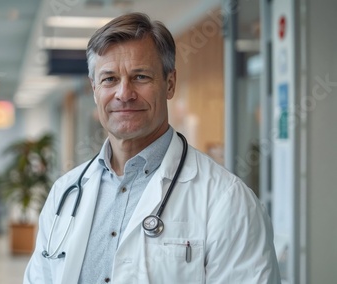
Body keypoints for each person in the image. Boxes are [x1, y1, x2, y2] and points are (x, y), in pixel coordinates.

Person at [24, 12, 280, 284]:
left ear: (169, 83)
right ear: (94, 89)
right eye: (109, 79)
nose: (124, 93)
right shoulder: (65, 193)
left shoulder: (228, 201)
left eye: (141, 77)